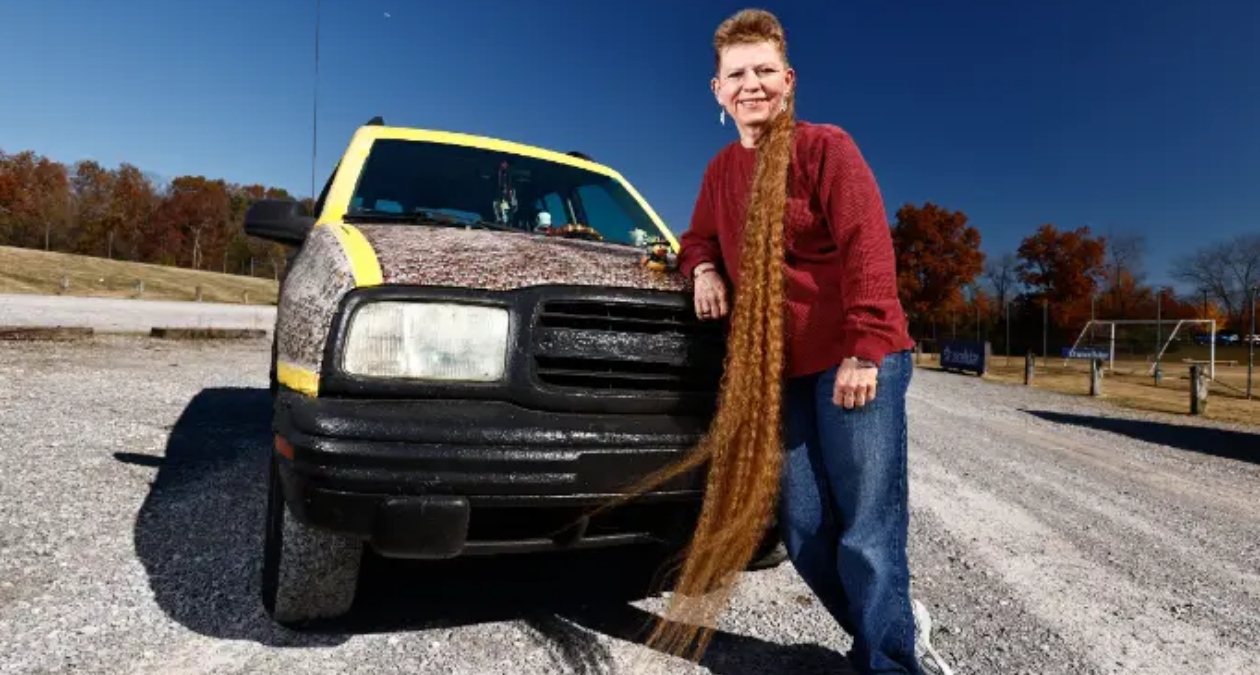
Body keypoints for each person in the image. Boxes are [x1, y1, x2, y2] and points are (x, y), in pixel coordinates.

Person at [664, 9, 953, 675]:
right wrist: (703, 269)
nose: (752, 84)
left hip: (858, 358)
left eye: (765, 70)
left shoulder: (826, 148)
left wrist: (865, 349)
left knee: (868, 527)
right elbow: (697, 237)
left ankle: (889, 662)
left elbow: (866, 246)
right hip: (787, 373)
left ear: (788, 80)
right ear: (717, 89)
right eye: (738, 73)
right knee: (801, 527)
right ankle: (893, 627)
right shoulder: (720, 172)